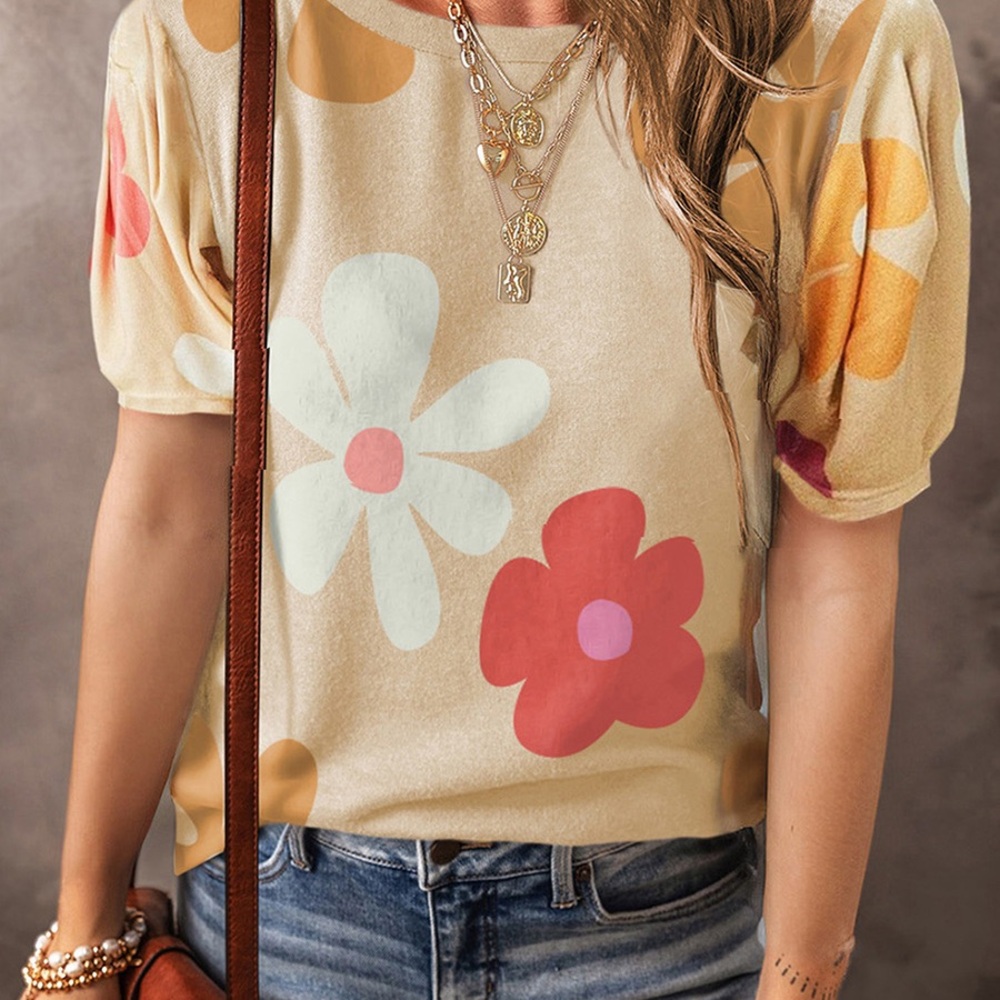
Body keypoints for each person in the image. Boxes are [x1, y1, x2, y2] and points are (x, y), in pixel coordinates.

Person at [23, 0, 969, 996]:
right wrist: (84, 937)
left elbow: (837, 562)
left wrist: (800, 980)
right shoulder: (215, 41)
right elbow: (169, 505)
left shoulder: (840, 49)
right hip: (293, 917)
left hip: (657, 927)